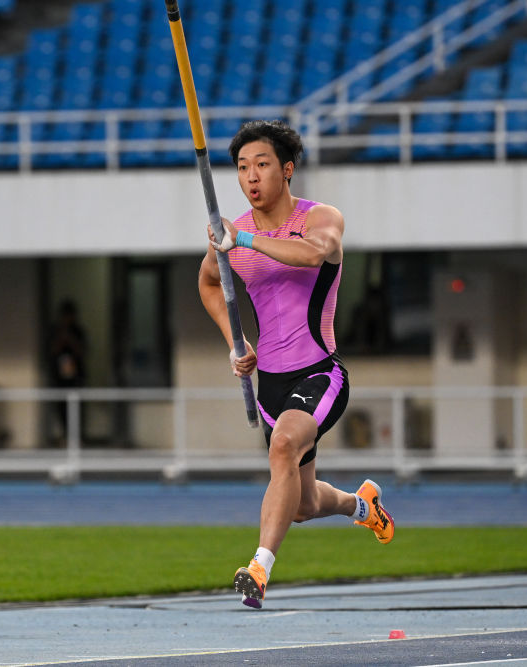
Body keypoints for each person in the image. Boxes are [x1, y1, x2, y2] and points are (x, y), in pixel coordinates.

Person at [197, 120, 394, 609]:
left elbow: (313, 255)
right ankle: (360, 504)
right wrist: (236, 342)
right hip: (270, 385)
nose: (251, 177)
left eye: (262, 165)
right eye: (243, 168)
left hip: (320, 373)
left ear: (286, 170)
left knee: (283, 446)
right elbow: (208, 283)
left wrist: (244, 240)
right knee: (303, 504)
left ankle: (259, 569)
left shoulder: (318, 217)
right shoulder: (231, 236)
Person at [48, 299, 87, 444]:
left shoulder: (78, 331)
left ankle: (77, 436)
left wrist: (70, 338)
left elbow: (82, 351)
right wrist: (61, 338)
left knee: (77, 406)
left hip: (76, 376)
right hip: (59, 376)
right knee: (61, 406)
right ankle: (65, 435)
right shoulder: (55, 331)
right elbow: (52, 351)